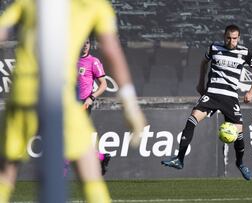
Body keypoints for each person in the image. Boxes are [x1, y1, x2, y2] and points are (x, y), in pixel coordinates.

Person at [0, 0, 146, 202]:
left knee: (6, 174)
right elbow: (112, 50)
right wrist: (130, 106)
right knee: (89, 173)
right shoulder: (95, 5)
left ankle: (80, 161)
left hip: (21, 93)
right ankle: (92, 160)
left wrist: (91, 97)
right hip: (59, 97)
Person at [161, 24, 252, 181]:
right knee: (192, 119)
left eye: (234, 38)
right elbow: (203, 62)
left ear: (239, 38)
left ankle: (240, 163)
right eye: (228, 38)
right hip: (212, 94)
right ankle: (179, 159)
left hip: (230, 98)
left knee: (239, 134)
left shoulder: (244, 53)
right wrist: (200, 83)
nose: (231, 41)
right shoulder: (214, 48)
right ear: (224, 36)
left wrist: (251, 92)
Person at [75, 38, 110, 176]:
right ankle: (101, 157)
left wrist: (91, 98)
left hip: (84, 103)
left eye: (87, 43)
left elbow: (103, 84)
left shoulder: (93, 62)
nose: (84, 45)